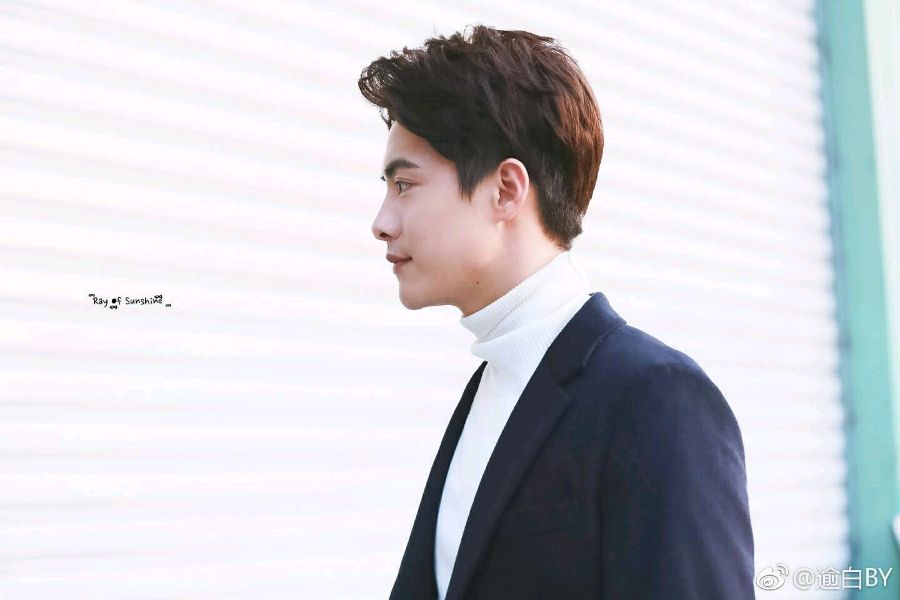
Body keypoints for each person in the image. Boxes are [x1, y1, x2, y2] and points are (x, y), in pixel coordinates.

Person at [359, 24, 755, 600]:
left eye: (404, 185)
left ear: (506, 190)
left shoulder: (657, 398)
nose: (381, 222)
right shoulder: (493, 384)